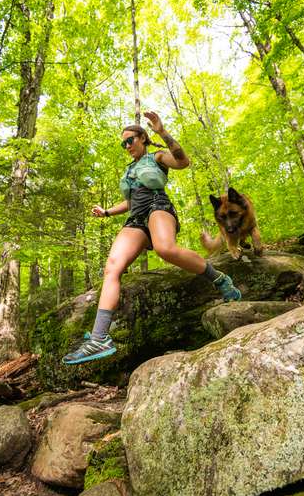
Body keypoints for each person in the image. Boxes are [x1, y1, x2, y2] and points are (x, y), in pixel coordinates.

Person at [63, 111, 241, 364]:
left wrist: (163, 132)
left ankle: (221, 280)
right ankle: (100, 338)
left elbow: (183, 162)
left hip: (159, 208)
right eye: (123, 143)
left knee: (165, 249)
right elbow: (130, 201)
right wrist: (106, 212)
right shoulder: (129, 170)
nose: (126, 146)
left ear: (142, 138)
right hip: (136, 219)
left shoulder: (156, 157)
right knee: (112, 267)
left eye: (130, 141)